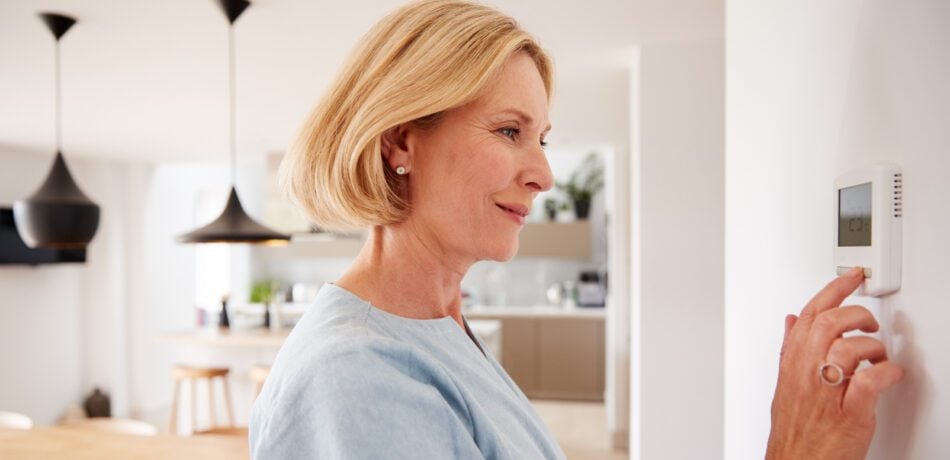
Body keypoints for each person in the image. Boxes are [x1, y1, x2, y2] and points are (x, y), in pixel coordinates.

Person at [249, 1, 904, 458]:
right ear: (401, 141)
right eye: (509, 131)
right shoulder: (355, 379)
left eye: (541, 138)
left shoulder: (438, 326)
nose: (543, 173)